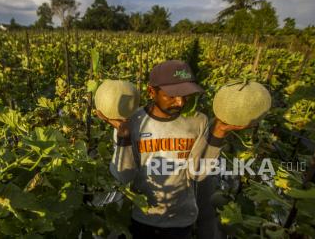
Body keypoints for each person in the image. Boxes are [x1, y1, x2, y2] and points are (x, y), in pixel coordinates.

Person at [96, 60, 248, 239]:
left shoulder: (198, 121)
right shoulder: (132, 123)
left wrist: (219, 133)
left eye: (186, 95)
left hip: (182, 219)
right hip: (142, 216)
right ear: (151, 91)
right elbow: (124, 176)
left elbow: (197, 173)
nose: (180, 102)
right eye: (172, 95)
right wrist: (124, 137)